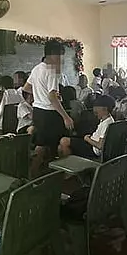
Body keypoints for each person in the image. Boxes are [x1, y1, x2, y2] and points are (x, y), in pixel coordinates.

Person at [23, 40, 75, 176]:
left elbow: (26, 88)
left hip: (38, 112)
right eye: (60, 55)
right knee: (53, 145)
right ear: (53, 54)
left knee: (41, 143)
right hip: (49, 114)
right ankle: (57, 175)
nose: (60, 59)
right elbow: (52, 97)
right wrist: (66, 117)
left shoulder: (36, 68)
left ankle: (34, 174)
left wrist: (39, 95)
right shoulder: (52, 70)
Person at [59, 94, 115, 159]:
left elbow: (100, 146)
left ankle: (69, 165)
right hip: (91, 143)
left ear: (105, 109)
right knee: (61, 147)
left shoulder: (106, 124)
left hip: (93, 149)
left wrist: (87, 139)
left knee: (64, 141)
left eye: (97, 112)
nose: (95, 115)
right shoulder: (107, 119)